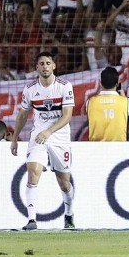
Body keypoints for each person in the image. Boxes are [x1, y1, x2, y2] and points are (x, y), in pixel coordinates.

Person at [11, 52, 76, 231]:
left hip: (59, 136)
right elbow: (23, 114)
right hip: (39, 135)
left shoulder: (64, 86)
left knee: (64, 183)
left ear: (54, 66)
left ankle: (69, 213)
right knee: (33, 172)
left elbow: (67, 116)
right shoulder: (30, 89)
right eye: (41, 63)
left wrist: (49, 131)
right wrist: (15, 138)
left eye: (48, 63)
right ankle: (32, 220)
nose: (45, 66)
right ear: (36, 68)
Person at [87, 67, 129, 141]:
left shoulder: (90, 102)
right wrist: (122, 93)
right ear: (117, 83)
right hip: (118, 149)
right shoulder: (126, 102)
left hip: (96, 149)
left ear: (101, 83)